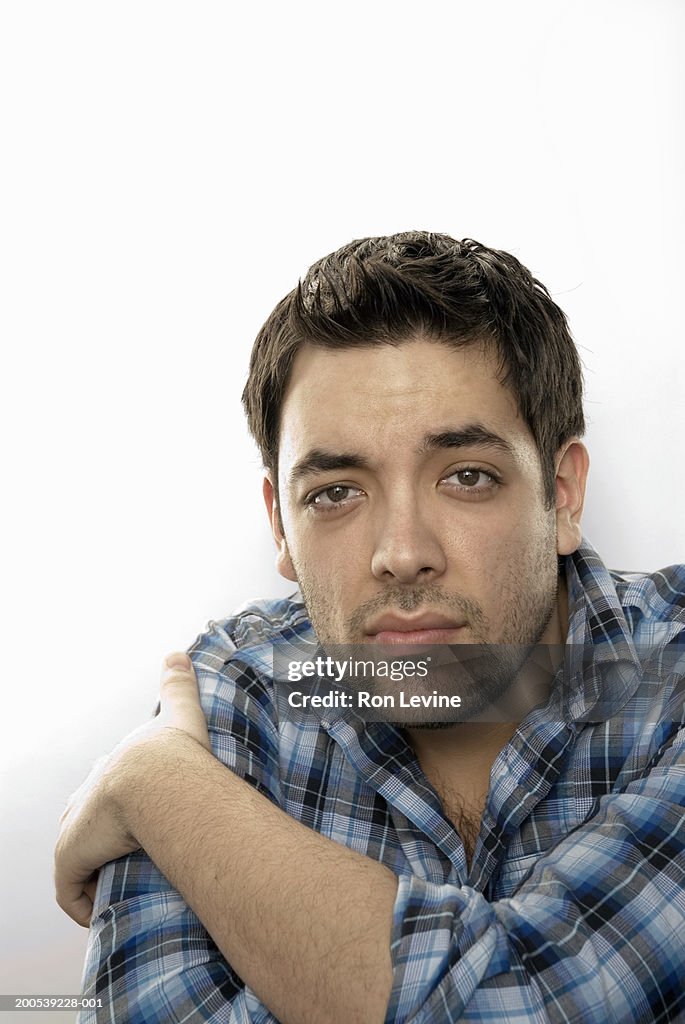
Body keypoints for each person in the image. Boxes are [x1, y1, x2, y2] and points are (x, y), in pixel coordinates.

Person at [55, 232, 685, 1023]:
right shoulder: (230, 696)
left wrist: (152, 787)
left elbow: (522, 1008)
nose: (402, 554)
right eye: (334, 493)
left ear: (559, 495)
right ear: (280, 526)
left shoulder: (174, 776)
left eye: (466, 477)